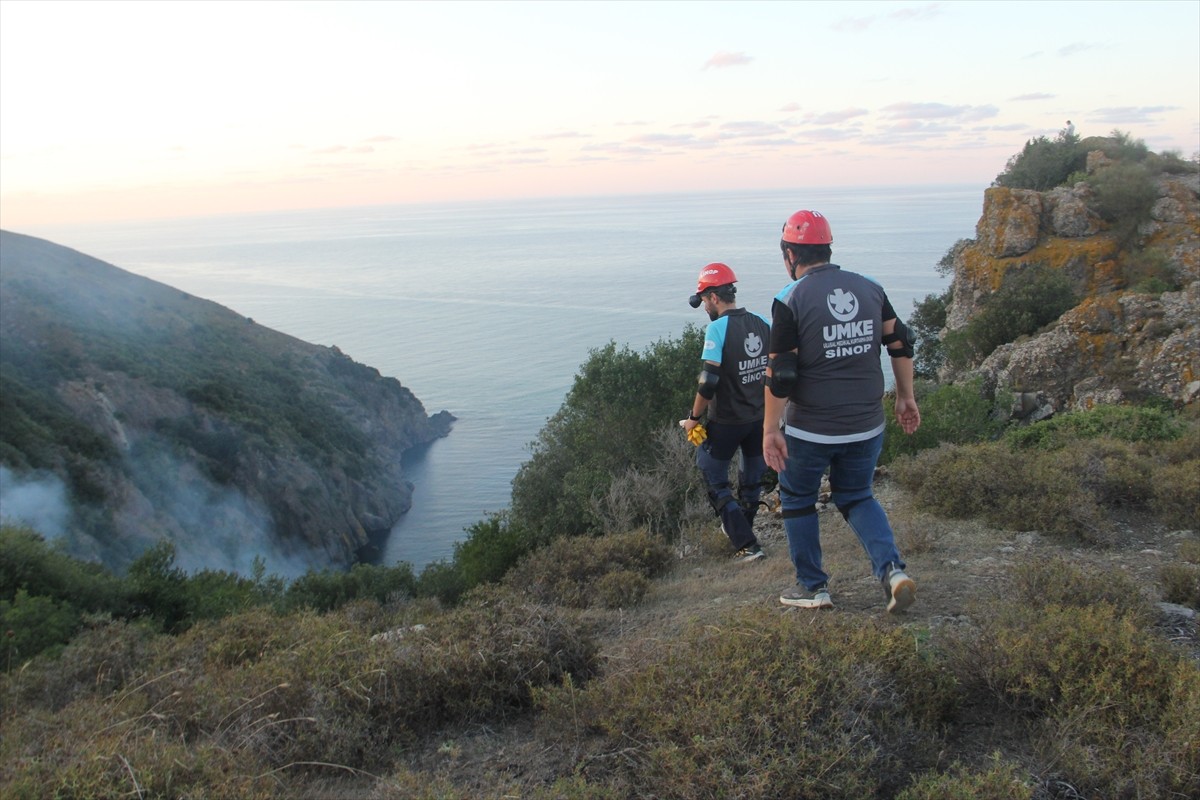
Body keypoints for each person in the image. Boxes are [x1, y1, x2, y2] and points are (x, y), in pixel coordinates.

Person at [762, 210, 921, 612]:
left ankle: (813, 587)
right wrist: (906, 396)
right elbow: (900, 343)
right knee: (856, 495)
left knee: (797, 498)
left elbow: (781, 372)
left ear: (790, 254)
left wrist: (770, 429)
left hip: (812, 428)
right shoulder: (870, 288)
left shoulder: (789, 299)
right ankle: (892, 571)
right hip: (867, 424)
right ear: (828, 248)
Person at [681, 262, 772, 562]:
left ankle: (747, 544)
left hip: (727, 422)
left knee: (712, 472)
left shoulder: (717, 328)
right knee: (751, 478)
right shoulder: (761, 323)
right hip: (758, 418)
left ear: (713, 297)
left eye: (704, 300)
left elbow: (709, 380)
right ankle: (745, 531)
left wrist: (693, 418)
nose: (705, 307)